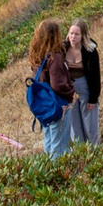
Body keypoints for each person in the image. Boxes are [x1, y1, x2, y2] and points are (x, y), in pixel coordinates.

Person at [30, 20, 77, 157]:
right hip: (59, 104)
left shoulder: (37, 56)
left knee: (49, 140)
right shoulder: (54, 57)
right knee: (60, 143)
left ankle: (48, 170)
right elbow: (58, 85)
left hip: (45, 105)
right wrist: (71, 90)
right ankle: (58, 173)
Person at [67, 19, 102, 147]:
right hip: (70, 92)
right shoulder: (63, 48)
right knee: (74, 128)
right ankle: (80, 155)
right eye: (71, 33)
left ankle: (96, 152)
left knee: (90, 127)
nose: (73, 37)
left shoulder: (90, 51)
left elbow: (95, 76)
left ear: (83, 35)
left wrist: (93, 98)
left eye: (76, 34)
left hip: (85, 90)